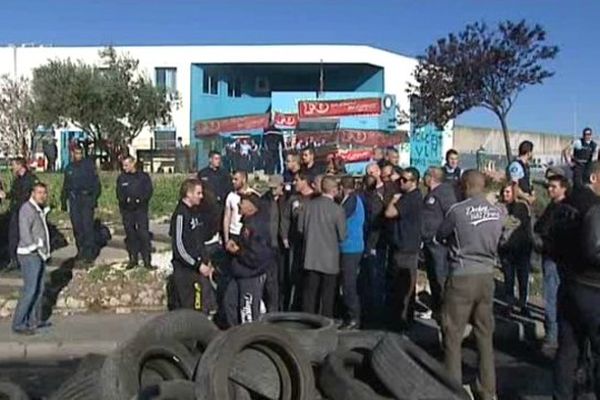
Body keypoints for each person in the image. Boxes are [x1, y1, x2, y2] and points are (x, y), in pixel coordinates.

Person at [436, 170, 504, 400]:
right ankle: (488, 390)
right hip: (487, 276)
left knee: (453, 334)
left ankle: (452, 389)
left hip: (462, 275)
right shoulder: (497, 212)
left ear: (464, 186)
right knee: (485, 335)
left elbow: (440, 235)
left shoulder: (457, 211)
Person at [553, 161, 600, 399]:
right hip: (593, 289)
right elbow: (595, 249)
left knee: (567, 352)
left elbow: (549, 240)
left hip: (568, 285)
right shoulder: (595, 206)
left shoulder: (565, 204)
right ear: (594, 178)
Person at [300, 176, 346, 318]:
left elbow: (300, 228)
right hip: (329, 259)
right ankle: (326, 324)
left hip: (310, 256)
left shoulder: (307, 206)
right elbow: (342, 235)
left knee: (310, 294)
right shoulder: (337, 210)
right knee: (327, 296)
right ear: (334, 190)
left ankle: (307, 322)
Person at [534, 174, 570, 352]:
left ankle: (553, 338)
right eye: (548, 186)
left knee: (553, 299)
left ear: (564, 188)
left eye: (554, 187)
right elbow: (540, 227)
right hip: (550, 256)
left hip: (557, 259)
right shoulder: (552, 206)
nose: (549, 190)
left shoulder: (565, 209)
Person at [223, 194, 273, 325]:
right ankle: (235, 336)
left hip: (251, 275)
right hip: (240, 272)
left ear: (252, 207)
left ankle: (249, 340)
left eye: (242, 202)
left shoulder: (257, 226)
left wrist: (238, 251)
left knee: (247, 312)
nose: (239, 205)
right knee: (230, 303)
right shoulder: (247, 223)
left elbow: (257, 256)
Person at [384, 167, 423, 330]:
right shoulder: (409, 196)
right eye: (401, 179)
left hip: (406, 247)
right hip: (403, 245)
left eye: (405, 180)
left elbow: (389, 213)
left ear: (414, 182)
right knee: (402, 285)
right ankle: (402, 318)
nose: (401, 182)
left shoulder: (411, 198)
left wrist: (394, 199)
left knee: (403, 286)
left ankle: (402, 320)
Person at [168, 178, 214, 313]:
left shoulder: (195, 212)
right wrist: (197, 265)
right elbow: (179, 247)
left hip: (198, 270)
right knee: (189, 309)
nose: (201, 196)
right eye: (198, 193)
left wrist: (205, 260)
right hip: (185, 272)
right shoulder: (180, 215)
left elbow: (199, 241)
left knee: (200, 307)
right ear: (189, 194)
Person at [12, 182, 51, 335]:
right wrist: (34, 246)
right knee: (30, 289)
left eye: (44, 192)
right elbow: (25, 232)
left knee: (39, 289)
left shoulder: (37, 209)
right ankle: (19, 323)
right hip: (29, 254)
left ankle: (34, 320)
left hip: (39, 254)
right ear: (32, 194)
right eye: (39, 192)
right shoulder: (27, 209)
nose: (42, 195)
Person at [421, 166, 457, 318]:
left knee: (440, 277)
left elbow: (452, 215)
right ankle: (436, 308)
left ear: (431, 177)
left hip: (439, 245)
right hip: (428, 242)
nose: (423, 180)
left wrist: (440, 236)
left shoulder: (444, 192)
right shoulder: (430, 193)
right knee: (433, 277)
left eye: (425, 176)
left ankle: (445, 311)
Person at [280, 172, 315, 311]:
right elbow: (286, 218)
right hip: (295, 243)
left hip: (312, 243)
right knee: (295, 274)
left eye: (297, 180)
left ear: (305, 181)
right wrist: (284, 236)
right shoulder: (293, 199)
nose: (295, 183)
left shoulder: (315, 198)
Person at [61, 146, 101, 263]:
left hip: (86, 198)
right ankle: (81, 250)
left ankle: (89, 253)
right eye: (76, 153)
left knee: (87, 226)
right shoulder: (69, 168)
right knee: (77, 226)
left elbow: (96, 185)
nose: (78, 155)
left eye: (80, 153)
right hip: (74, 200)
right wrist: (63, 200)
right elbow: (66, 185)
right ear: (72, 154)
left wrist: (93, 199)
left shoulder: (89, 166)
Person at [498, 183, 533, 317]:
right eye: (504, 192)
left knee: (523, 278)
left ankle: (523, 304)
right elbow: (500, 223)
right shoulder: (499, 207)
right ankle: (509, 304)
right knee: (509, 278)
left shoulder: (522, 207)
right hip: (506, 248)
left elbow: (517, 223)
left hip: (522, 247)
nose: (506, 195)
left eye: (509, 192)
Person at [116, 157, 153, 269]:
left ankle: (147, 260)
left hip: (140, 209)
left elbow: (148, 191)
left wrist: (139, 200)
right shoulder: (122, 178)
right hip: (127, 210)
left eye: (126, 165)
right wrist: (125, 200)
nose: (124, 168)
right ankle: (133, 259)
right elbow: (119, 193)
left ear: (133, 164)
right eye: (123, 165)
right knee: (130, 234)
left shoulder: (143, 177)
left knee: (143, 234)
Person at [339, 176, 365, 329]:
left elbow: (340, 218)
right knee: (347, 283)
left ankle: (354, 318)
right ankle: (350, 315)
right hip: (351, 246)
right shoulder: (355, 199)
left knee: (349, 284)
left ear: (342, 187)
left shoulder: (351, 201)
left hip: (351, 247)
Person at [6, 158, 39, 270]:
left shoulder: (30, 179)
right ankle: (14, 259)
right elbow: (14, 193)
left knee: (26, 235)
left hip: (26, 211)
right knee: (13, 235)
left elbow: (29, 195)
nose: (12, 168)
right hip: (16, 210)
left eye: (14, 165)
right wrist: (6, 195)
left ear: (20, 166)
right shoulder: (17, 180)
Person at [262, 175, 285, 312]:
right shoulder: (264, 200)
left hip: (282, 245)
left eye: (275, 188)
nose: (272, 191)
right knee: (271, 280)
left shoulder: (286, 199)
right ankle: (272, 308)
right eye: (270, 188)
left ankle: (281, 306)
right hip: (269, 244)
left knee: (282, 278)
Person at [223, 171, 257, 244]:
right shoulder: (230, 196)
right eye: (232, 179)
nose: (233, 181)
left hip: (247, 234)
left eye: (236, 179)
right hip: (233, 234)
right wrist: (226, 239)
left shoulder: (253, 196)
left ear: (244, 180)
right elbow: (227, 218)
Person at [507, 140, 536, 206]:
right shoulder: (516, 165)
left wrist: (532, 194)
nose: (532, 154)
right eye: (532, 152)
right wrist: (526, 198)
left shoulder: (526, 166)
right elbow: (514, 185)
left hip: (526, 199)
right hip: (520, 200)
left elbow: (529, 182)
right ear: (528, 153)